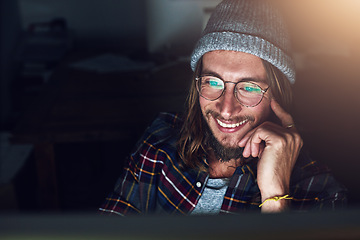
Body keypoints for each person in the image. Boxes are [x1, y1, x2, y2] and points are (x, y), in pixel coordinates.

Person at [99, 0, 347, 215]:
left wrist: (275, 197)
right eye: (213, 82)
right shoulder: (161, 139)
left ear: (278, 94)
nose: (226, 109)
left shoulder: (320, 191)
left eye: (249, 87)